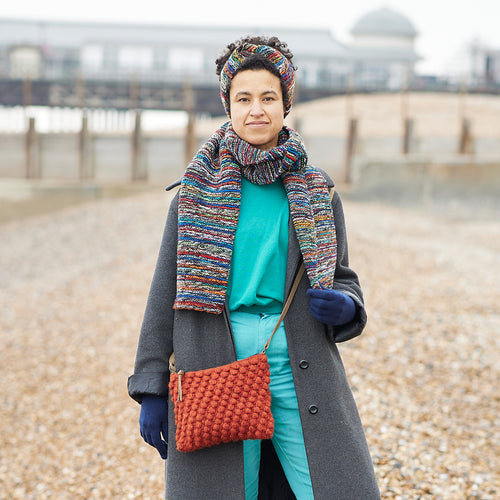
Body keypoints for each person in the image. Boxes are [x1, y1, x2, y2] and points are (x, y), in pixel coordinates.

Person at [128, 35, 380, 499]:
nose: (256, 110)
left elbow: (343, 277)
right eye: (244, 99)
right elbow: (164, 292)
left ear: (286, 104)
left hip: (300, 360)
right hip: (214, 365)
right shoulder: (193, 194)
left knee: (336, 487)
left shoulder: (318, 193)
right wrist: (151, 386)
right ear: (228, 105)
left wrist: (347, 306)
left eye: (268, 97)